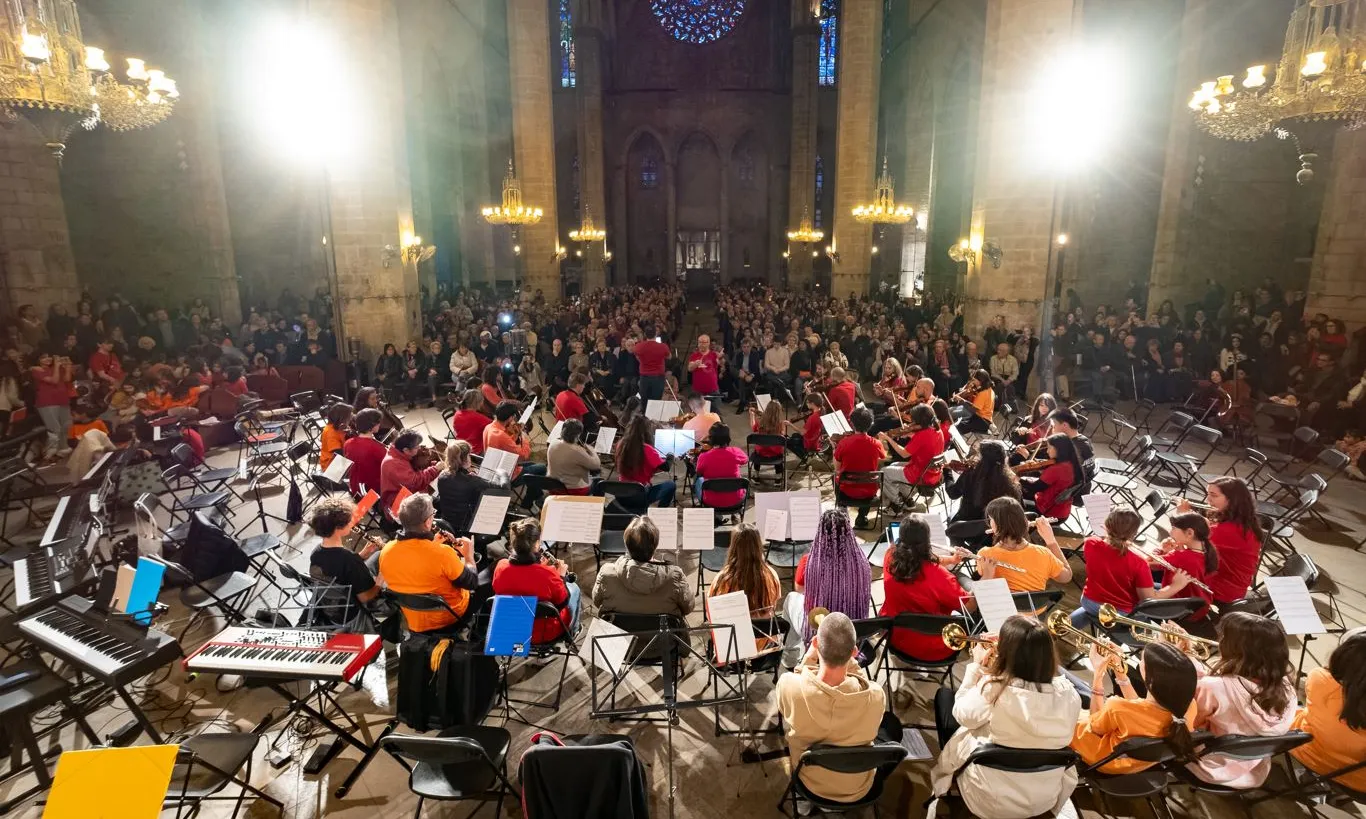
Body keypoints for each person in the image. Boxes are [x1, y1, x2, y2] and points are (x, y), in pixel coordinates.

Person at [929, 615, 1082, 819]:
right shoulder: (1070, 695)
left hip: (988, 797)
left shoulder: (994, 689)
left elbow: (963, 715)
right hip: (1042, 796)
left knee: (945, 698)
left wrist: (978, 667)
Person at [775, 611, 891, 805]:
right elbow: (864, 681)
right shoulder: (876, 696)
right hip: (859, 787)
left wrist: (808, 660)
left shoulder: (790, 686)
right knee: (891, 727)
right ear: (854, 652)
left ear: (815, 645)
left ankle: (804, 803)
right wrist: (847, 657)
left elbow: (795, 685)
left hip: (810, 781)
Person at [1186, 613, 1297, 788]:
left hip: (1209, 766)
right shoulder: (1287, 688)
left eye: (1224, 638)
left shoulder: (1214, 687)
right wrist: (1190, 658)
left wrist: (1177, 661)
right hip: (1250, 768)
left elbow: (1190, 724)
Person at [1071, 642, 1199, 774]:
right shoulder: (1189, 706)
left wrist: (1098, 675)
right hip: (1137, 764)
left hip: (1104, 760)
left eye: (1142, 661)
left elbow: (1094, 727)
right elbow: (1139, 709)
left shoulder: (1117, 707)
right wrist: (1119, 671)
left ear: (1150, 678)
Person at [1068, 508, 1196, 629]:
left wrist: (1160, 551)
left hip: (1088, 601)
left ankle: (1066, 626)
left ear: (1106, 525)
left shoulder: (1090, 543)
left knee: (1096, 607)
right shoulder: (1138, 563)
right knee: (1154, 595)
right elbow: (1149, 598)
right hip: (1119, 613)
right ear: (1134, 534)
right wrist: (1177, 585)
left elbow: (1117, 565)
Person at [377, 493, 479, 633]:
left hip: (415, 622)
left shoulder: (386, 551)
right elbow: (471, 582)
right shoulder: (443, 553)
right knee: (489, 575)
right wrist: (469, 556)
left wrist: (432, 544)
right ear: (427, 522)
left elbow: (414, 568)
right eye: (433, 513)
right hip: (450, 618)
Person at [879, 515, 968, 662]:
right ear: (927, 541)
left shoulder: (890, 555)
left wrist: (951, 560)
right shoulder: (940, 575)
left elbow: (919, 559)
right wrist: (986, 576)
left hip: (894, 636)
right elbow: (969, 606)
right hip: (934, 649)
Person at [1290, 627, 1366, 791]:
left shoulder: (1319, 677)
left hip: (1305, 750)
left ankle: (1312, 780)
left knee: (1299, 709)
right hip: (1355, 779)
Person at [1175, 476, 1262, 606]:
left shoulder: (1232, 530)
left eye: (1213, 495)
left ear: (1232, 500)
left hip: (1219, 592)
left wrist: (1182, 516)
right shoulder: (1242, 521)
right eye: (1207, 494)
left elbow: (1183, 540)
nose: (1207, 499)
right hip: (1221, 582)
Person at [493, 518, 580, 641]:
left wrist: (541, 568)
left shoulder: (501, 566)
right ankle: (572, 633)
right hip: (545, 632)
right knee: (574, 589)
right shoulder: (549, 574)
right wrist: (560, 576)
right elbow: (561, 603)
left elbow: (520, 582)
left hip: (513, 628)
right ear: (537, 543)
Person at [591, 516, 693, 616]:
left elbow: (597, 601)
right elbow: (688, 607)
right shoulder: (674, 576)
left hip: (618, 630)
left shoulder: (606, 572)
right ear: (655, 545)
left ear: (626, 545)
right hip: (661, 632)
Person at [308, 496, 383, 629]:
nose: (352, 523)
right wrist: (380, 580)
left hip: (335, 609)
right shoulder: (349, 559)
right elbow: (366, 597)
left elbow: (338, 570)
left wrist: (362, 555)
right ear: (338, 528)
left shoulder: (315, 553)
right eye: (349, 521)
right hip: (354, 615)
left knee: (376, 554)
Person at [795, 510, 871, 640]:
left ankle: (794, 651)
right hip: (852, 631)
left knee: (791, 598)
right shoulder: (861, 562)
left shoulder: (810, 562)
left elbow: (800, 590)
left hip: (819, 631)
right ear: (849, 532)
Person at [977, 497, 1073, 593]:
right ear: (1024, 521)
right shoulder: (1043, 554)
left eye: (991, 519)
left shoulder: (985, 554)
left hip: (1003, 607)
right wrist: (1051, 541)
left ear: (997, 525)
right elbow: (1066, 577)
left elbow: (984, 584)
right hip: (1036, 607)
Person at [1151, 512, 1219, 620]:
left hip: (1175, 608)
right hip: (1196, 607)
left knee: (1138, 587)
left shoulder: (1182, 557)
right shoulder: (1207, 552)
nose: (1170, 532)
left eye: (1173, 528)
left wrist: (1160, 548)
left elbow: (1146, 564)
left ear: (1189, 533)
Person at [878, 404, 943, 514]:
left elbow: (904, 454)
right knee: (893, 466)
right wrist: (910, 435)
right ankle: (908, 501)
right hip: (932, 472)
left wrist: (888, 438)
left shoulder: (921, 435)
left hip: (920, 474)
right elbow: (925, 444)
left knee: (884, 472)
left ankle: (897, 505)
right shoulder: (937, 430)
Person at [709, 524, 782, 618]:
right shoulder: (771, 574)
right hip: (765, 630)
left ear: (733, 547)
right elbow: (774, 603)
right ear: (758, 546)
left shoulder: (722, 579)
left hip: (735, 631)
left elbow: (712, 610)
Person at [829, 407, 885, 527]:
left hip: (847, 491)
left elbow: (837, 469)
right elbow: (882, 458)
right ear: (870, 424)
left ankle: (843, 513)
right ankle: (862, 517)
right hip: (869, 491)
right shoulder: (876, 444)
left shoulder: (844, 443)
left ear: (852, 424)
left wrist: (835, 449)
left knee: (834, 477)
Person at [945, 440, 1021, 525]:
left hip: (965, 524)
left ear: (982, 459)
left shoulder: (971, 474)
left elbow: (953, 494)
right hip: (988, 529)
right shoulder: (1010, 482)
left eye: (978, 455)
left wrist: (947, 474)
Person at [615, 414, 676, 508]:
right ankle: (660, 511)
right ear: (647, 431)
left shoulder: (621, 444)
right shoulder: (647, 449)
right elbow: (666, 467)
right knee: (671, 485)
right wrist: (670, 456)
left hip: (622, 493)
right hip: (640, 493)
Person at [433, 440, 493, 530]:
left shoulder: (442, 476)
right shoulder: (471, 481)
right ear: (464, 458)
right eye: (469, 455)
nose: (470, 457)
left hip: (447, 522)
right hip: (465, 527)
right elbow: (495, 487)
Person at [1020, 434, 1081, 521]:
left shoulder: (1056, 469)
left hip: (1048, 513)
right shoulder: (1073, 463)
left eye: (1049, 448)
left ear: (1058, 449)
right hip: (1063, 512)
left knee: (1013, 497)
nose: (1047, 451)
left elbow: (1033, 488)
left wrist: (1017, 479)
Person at [379, 430, 441, 512]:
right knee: (443, 504)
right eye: (416, 447)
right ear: (406, 450)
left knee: (441, 502)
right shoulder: (394, 464)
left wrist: (430, 465)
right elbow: (416, 482)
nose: (419, 448)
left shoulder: (396, 452)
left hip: (409, 495)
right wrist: (435, 469)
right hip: (402, 505)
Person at [694, 422, 748, 508]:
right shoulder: (735, 452)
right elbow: (745, 460)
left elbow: (699, 472)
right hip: (736, 500)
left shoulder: (704, 456)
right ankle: (734, 513)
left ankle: (711, 513)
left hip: (711, 501)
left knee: (699, 481)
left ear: (711, 438)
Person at [31, 351, 73, 458]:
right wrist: (57, 366)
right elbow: (54, 380)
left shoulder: (55, 368)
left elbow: (67, 379)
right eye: (43, 358)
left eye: (49, 357)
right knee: (54, 428)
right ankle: (50, 452)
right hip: (47, 402)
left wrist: (68, 366)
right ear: (38, 360)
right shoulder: (36, 370)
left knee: (66, 425)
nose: (48, 359)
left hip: (62, 399)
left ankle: (63, 448)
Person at [482, 402, 538, 481]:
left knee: (533, 465)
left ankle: (535, 493)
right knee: (542, 468)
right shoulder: (500, 435)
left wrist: (516, 434)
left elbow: (505, 445)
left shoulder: (488, 427)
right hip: (505, 474)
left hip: (493, 468)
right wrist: (524, 437)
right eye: (513, 417)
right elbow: (524, 456)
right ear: (510, 418)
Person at [547, 418, 601, 495]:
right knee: (599, 481)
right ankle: (595, 505)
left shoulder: (553, 442)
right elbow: (596, 465)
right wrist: (591, 449)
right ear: (578, 434)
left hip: (553, 487)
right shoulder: (577, 450)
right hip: (573, 490)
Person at [342, 408, 386, 497]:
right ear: (372, 425)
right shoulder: (376, 447)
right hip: (373, 490)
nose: (379, 425)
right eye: (378, 422)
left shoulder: (348, 443)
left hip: (356, 488)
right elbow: (388, 467)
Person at [634, 324, 670, 402]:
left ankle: (644, 413)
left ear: (645, 334)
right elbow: (669, 357)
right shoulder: (663, 346)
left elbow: (637, 356)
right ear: (656, 333)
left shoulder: (639, 346)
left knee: (644, 399)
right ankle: (654, 414)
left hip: (644, 377)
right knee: (656, 400)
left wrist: (643, 362)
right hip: (658, 377)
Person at [450, 388, 492, 455]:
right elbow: (495, 425)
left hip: (461, 449)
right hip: (476, 451)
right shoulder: (477, 417)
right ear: (478, 403)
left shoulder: (457, 414)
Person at [954, 369, 995, 435]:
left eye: (975, 380)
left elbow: (973, 410)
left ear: (980, 381)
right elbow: (975, 406)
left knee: (956, 428)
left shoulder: (983, 393)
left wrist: (961, 401)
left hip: (982, 422)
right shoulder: (990, 390)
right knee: (958, 423)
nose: (973, 382)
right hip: (981, 419)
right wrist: (963, 400)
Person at [319, 402, 352, 472]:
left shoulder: (339, 427)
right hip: (331, 466)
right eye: (349, 417)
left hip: (339, 461)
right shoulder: (331, 432)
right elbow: (338, 453)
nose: (350, 419)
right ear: (342, 418)